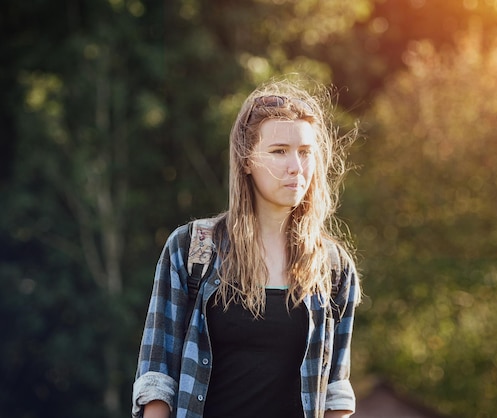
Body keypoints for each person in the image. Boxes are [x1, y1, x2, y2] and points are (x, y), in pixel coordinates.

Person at [132, 78, 361, 418]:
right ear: (246, 160)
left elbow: (334, 395)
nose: (296, 167)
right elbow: (157, 379)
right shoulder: (192, 249)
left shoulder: (332, 266)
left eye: (305, 152)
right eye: (279, 151)